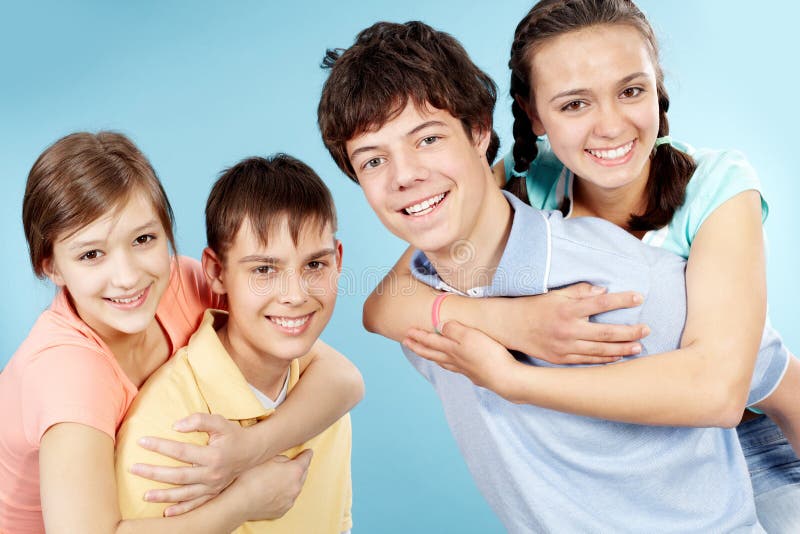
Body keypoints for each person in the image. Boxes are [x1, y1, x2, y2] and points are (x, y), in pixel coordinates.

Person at [317, 19, 796, 532]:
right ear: (534, 117)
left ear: (480, 133)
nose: (406, 174)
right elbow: (383, 305)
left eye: (631, 90)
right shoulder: (522, 187)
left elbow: (745, 386)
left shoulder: (658, 257)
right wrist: (514, 323)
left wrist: (514, 379)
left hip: (761, 445)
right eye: (574, 103)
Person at [0, 132, 364, 534]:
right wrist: (243, 502)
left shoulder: (182, 284)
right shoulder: (69, 376)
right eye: (91, 254)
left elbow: (341, 378)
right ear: (50, 267)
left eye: (144, 239)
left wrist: (249, 449)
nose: (127, 277)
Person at [116, 154, 354, 534]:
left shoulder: (324, 400)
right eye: (264, 270)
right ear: (215, 272)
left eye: (315, 265)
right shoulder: (167, 428)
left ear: (338, 261)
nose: (294, 295)